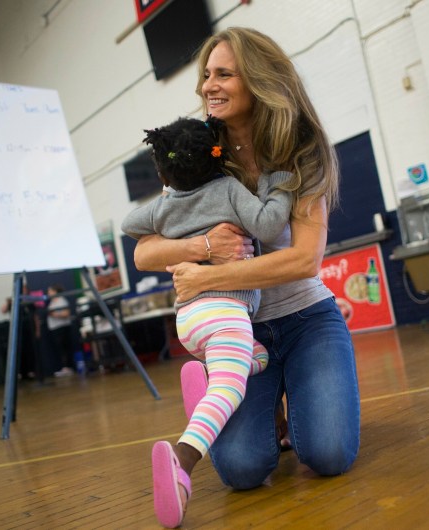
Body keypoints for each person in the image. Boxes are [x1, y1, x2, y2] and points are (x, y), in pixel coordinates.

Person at [132, 27, 361, 527]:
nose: (207, 87)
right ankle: (242, 391)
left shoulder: (301, 151)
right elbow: (144, 251)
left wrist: (206, 278)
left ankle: (287, 396)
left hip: (306, 319)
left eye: (223, 75)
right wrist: (202, 247)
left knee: (328, 455)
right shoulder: (199, 151)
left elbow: (303, 260)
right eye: (205, 75)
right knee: (241, 469)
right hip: (242, 330)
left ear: (258, 81)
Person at [121, 115, 293, 527]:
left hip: (190, 321)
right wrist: (279, 182)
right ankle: (183, 460)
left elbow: (129, 226)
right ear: (218, 157)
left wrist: (173, 226)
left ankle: (214, 372)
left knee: (259, 358)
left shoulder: (165, 205)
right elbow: (269, 222)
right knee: (230, 389)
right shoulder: (228, 189)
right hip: (225, 312)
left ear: (163, 171)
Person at [46, 284, 75, 377]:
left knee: (64, 348)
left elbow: (66, 313)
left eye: (50, 291)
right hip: (55, 328)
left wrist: (54, 314)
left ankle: (67, 367)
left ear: (55, 291)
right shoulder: (52, 302)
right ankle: (64, 367)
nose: (48, 293)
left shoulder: (61, 300)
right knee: (59, 349)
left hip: (62, 328)